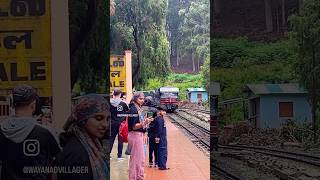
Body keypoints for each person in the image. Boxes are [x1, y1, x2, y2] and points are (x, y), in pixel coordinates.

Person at [0, 84, 60, 180]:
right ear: (33, 105)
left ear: (13, 105)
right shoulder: (45, 132)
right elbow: (57, 161)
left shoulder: (2, 130)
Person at [56, 94, 110, 180]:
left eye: (107, 119)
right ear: (83, 120)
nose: (105, 125)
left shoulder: (92, 143)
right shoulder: (77, 153)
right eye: (99, 118)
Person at [127, 92, 153, 180]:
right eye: (140, 99)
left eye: (143, 99)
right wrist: (144, 123)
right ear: (135, 99)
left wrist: (145, 121)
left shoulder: (138, 108)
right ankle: (133, 177)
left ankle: (139, 177)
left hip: (138, 135)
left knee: (140, 159)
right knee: (135, 160)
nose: (142, 100)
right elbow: (134, 126)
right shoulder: (133, 109)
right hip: (135, 135)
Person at [109, 89, 129, 160]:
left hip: (112, 123)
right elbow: (127, 112)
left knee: (111, 139)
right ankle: (119, 156)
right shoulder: (124, 103)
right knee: (120, 139)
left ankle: (109, 155)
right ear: (120, 94)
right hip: (121, 124)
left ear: (113, 94)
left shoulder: (109, 103)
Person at [154, 105, 169, 170]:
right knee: (163, 151)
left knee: (160, 150)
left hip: (161, 136)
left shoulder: (159, 118)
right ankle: (162, 166)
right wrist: (158, 137)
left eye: (165, 111)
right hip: (161, 137)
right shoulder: (160, 119)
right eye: (163, 111)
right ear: (160, 111)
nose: (164, 112)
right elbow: (160, 129)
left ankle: (161, 165)